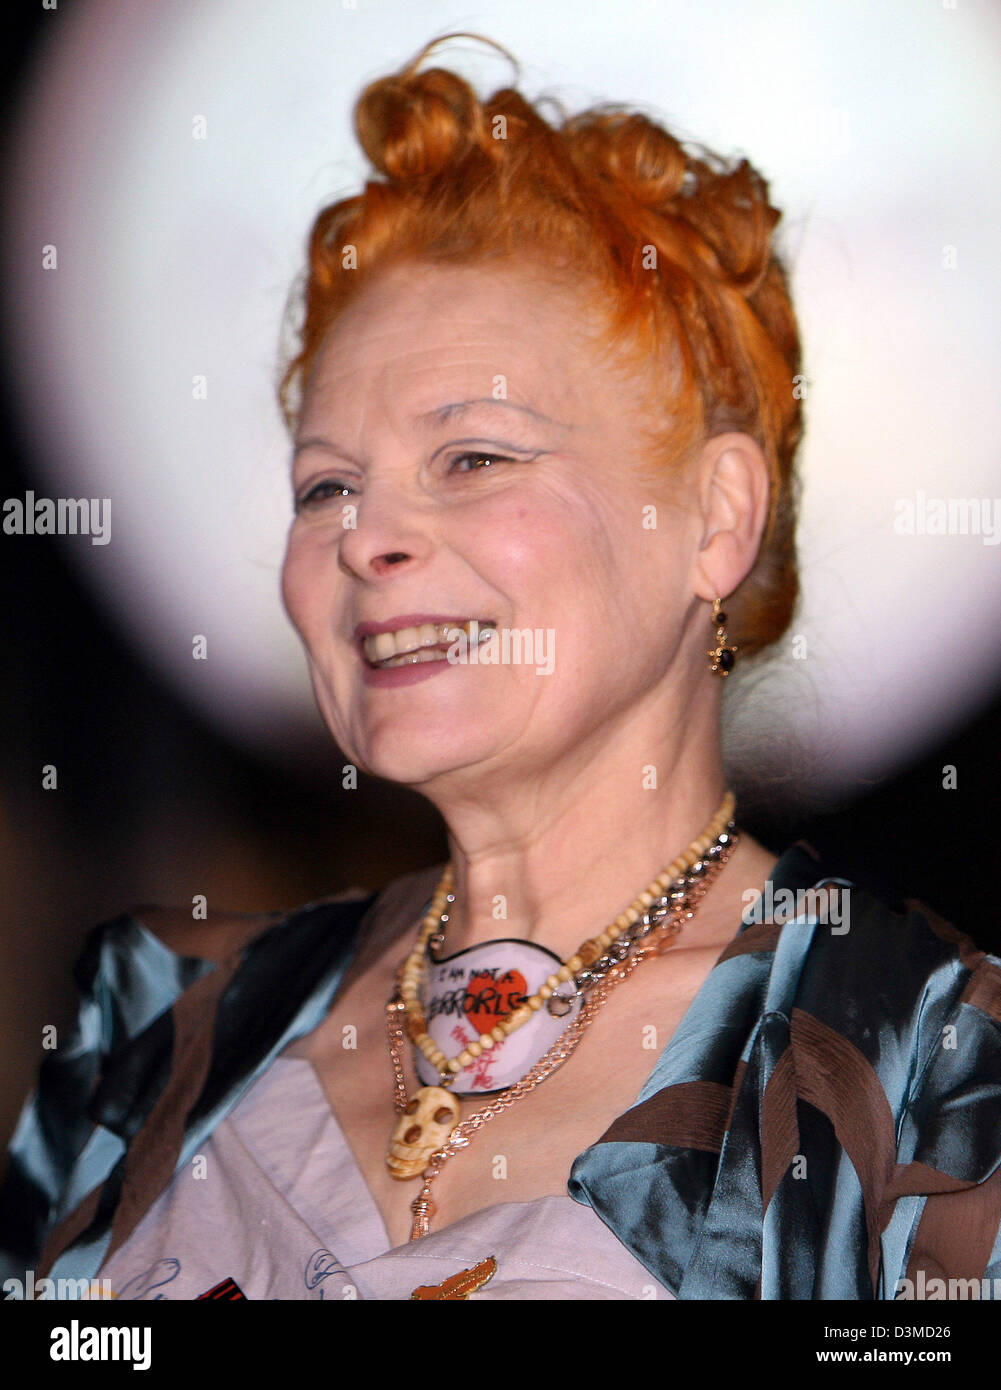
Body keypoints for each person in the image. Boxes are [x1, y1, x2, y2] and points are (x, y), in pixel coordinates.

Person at [2, 32, 1000, 1303]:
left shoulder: (927, 1075)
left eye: (472, 455)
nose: (366, 537)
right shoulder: (152, 1029)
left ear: (713, 519)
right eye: (325, 485)